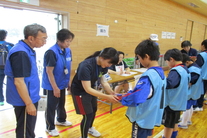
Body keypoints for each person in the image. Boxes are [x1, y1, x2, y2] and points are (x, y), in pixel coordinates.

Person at [4, 24, 47, 138]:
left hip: (29, 96)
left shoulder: (27, 50)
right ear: (31, 38)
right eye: (43, 39)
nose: (45, 42)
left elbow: (29, 77)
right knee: (24, 130)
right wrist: (29, 103)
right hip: (24, 100)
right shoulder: (21, 53)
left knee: (29, 128)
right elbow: (19, 82)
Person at [121, 39, 166, 138]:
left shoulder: (149, 75)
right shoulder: (161, 73)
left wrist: (121, 96)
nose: (139, 61)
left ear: (146, 56)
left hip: (143, 118)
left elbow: (137, 97)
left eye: (139, 58)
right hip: (152, 115)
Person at [71, 47, 119, 138]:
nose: (109, 65)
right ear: (102, 58)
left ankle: (89, 128)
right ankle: (83, 136)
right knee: (87, 115)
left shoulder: (103, 66)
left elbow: (104, 82)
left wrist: (111, 93)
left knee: (93, 110)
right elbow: (87, 89)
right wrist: (107, 96)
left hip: (91, 89)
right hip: (80, 92)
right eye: (109, 62)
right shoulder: (85, 66)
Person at [42, 29, 74, 136]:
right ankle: (49, 127)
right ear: (59, 40)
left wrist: (69, 81)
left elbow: (69, 67)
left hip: (62, 82)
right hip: (52, 85)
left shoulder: (68, 50)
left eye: (70, 41)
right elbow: (49, 71)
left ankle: (61, 119)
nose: (68, 43)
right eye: (67, 41)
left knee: (61, 103)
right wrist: (55, 87)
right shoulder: (51, 52)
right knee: (51, 106)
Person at [162, 49, 190, 138]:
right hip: (179, 101)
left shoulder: (175, 70)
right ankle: (173, 136)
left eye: (167, 61)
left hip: (172, 103)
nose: (167, 64)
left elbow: (170, 84)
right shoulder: (184, 68)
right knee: (174, 122)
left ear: (171, 59)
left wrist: (162, 80)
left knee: (168, 125)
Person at [178, 53, 203, 129]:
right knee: (190, 106)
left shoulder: (193, 70)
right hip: (195, 91)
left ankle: (184, 123)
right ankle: (188, 120)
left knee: (187, 107)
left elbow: (191, 81)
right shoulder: (195, 67)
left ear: (187, 62)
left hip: (191, 92)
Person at [0, 29, 14, 106]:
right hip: (9, 68)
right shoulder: (10, 45)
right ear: (5, 36)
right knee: (12, 84)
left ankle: (1, 101)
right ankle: (12, 100)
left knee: (0, 84)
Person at [193, 39, 207, 111]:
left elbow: (197, 65)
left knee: (199, 91)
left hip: (202, 76)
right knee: (204, 91)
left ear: (203, 46)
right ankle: (200, 105)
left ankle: (198, 106)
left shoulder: (201, 55)